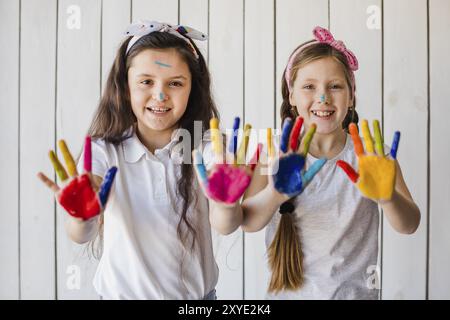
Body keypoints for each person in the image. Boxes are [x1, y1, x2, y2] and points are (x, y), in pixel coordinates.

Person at [37, 20, 249, 300]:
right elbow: (82, 234)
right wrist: (82, 215)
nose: (160, 95)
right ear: (125, 87)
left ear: (192, 89)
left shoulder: (208, 146)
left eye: (175, 83)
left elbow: (225, 225)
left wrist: (227, 202)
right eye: (146, 81)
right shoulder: (103, 151)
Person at [240, 26, 421, 299]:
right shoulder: (274, 154)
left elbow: (409, 225)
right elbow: (248, 222)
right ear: (291, 97)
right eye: (309, 87)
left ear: (351, 98)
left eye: (335, 86)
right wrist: (275, 194)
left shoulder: (374, 156)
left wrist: (388, 199)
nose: (323, 97)